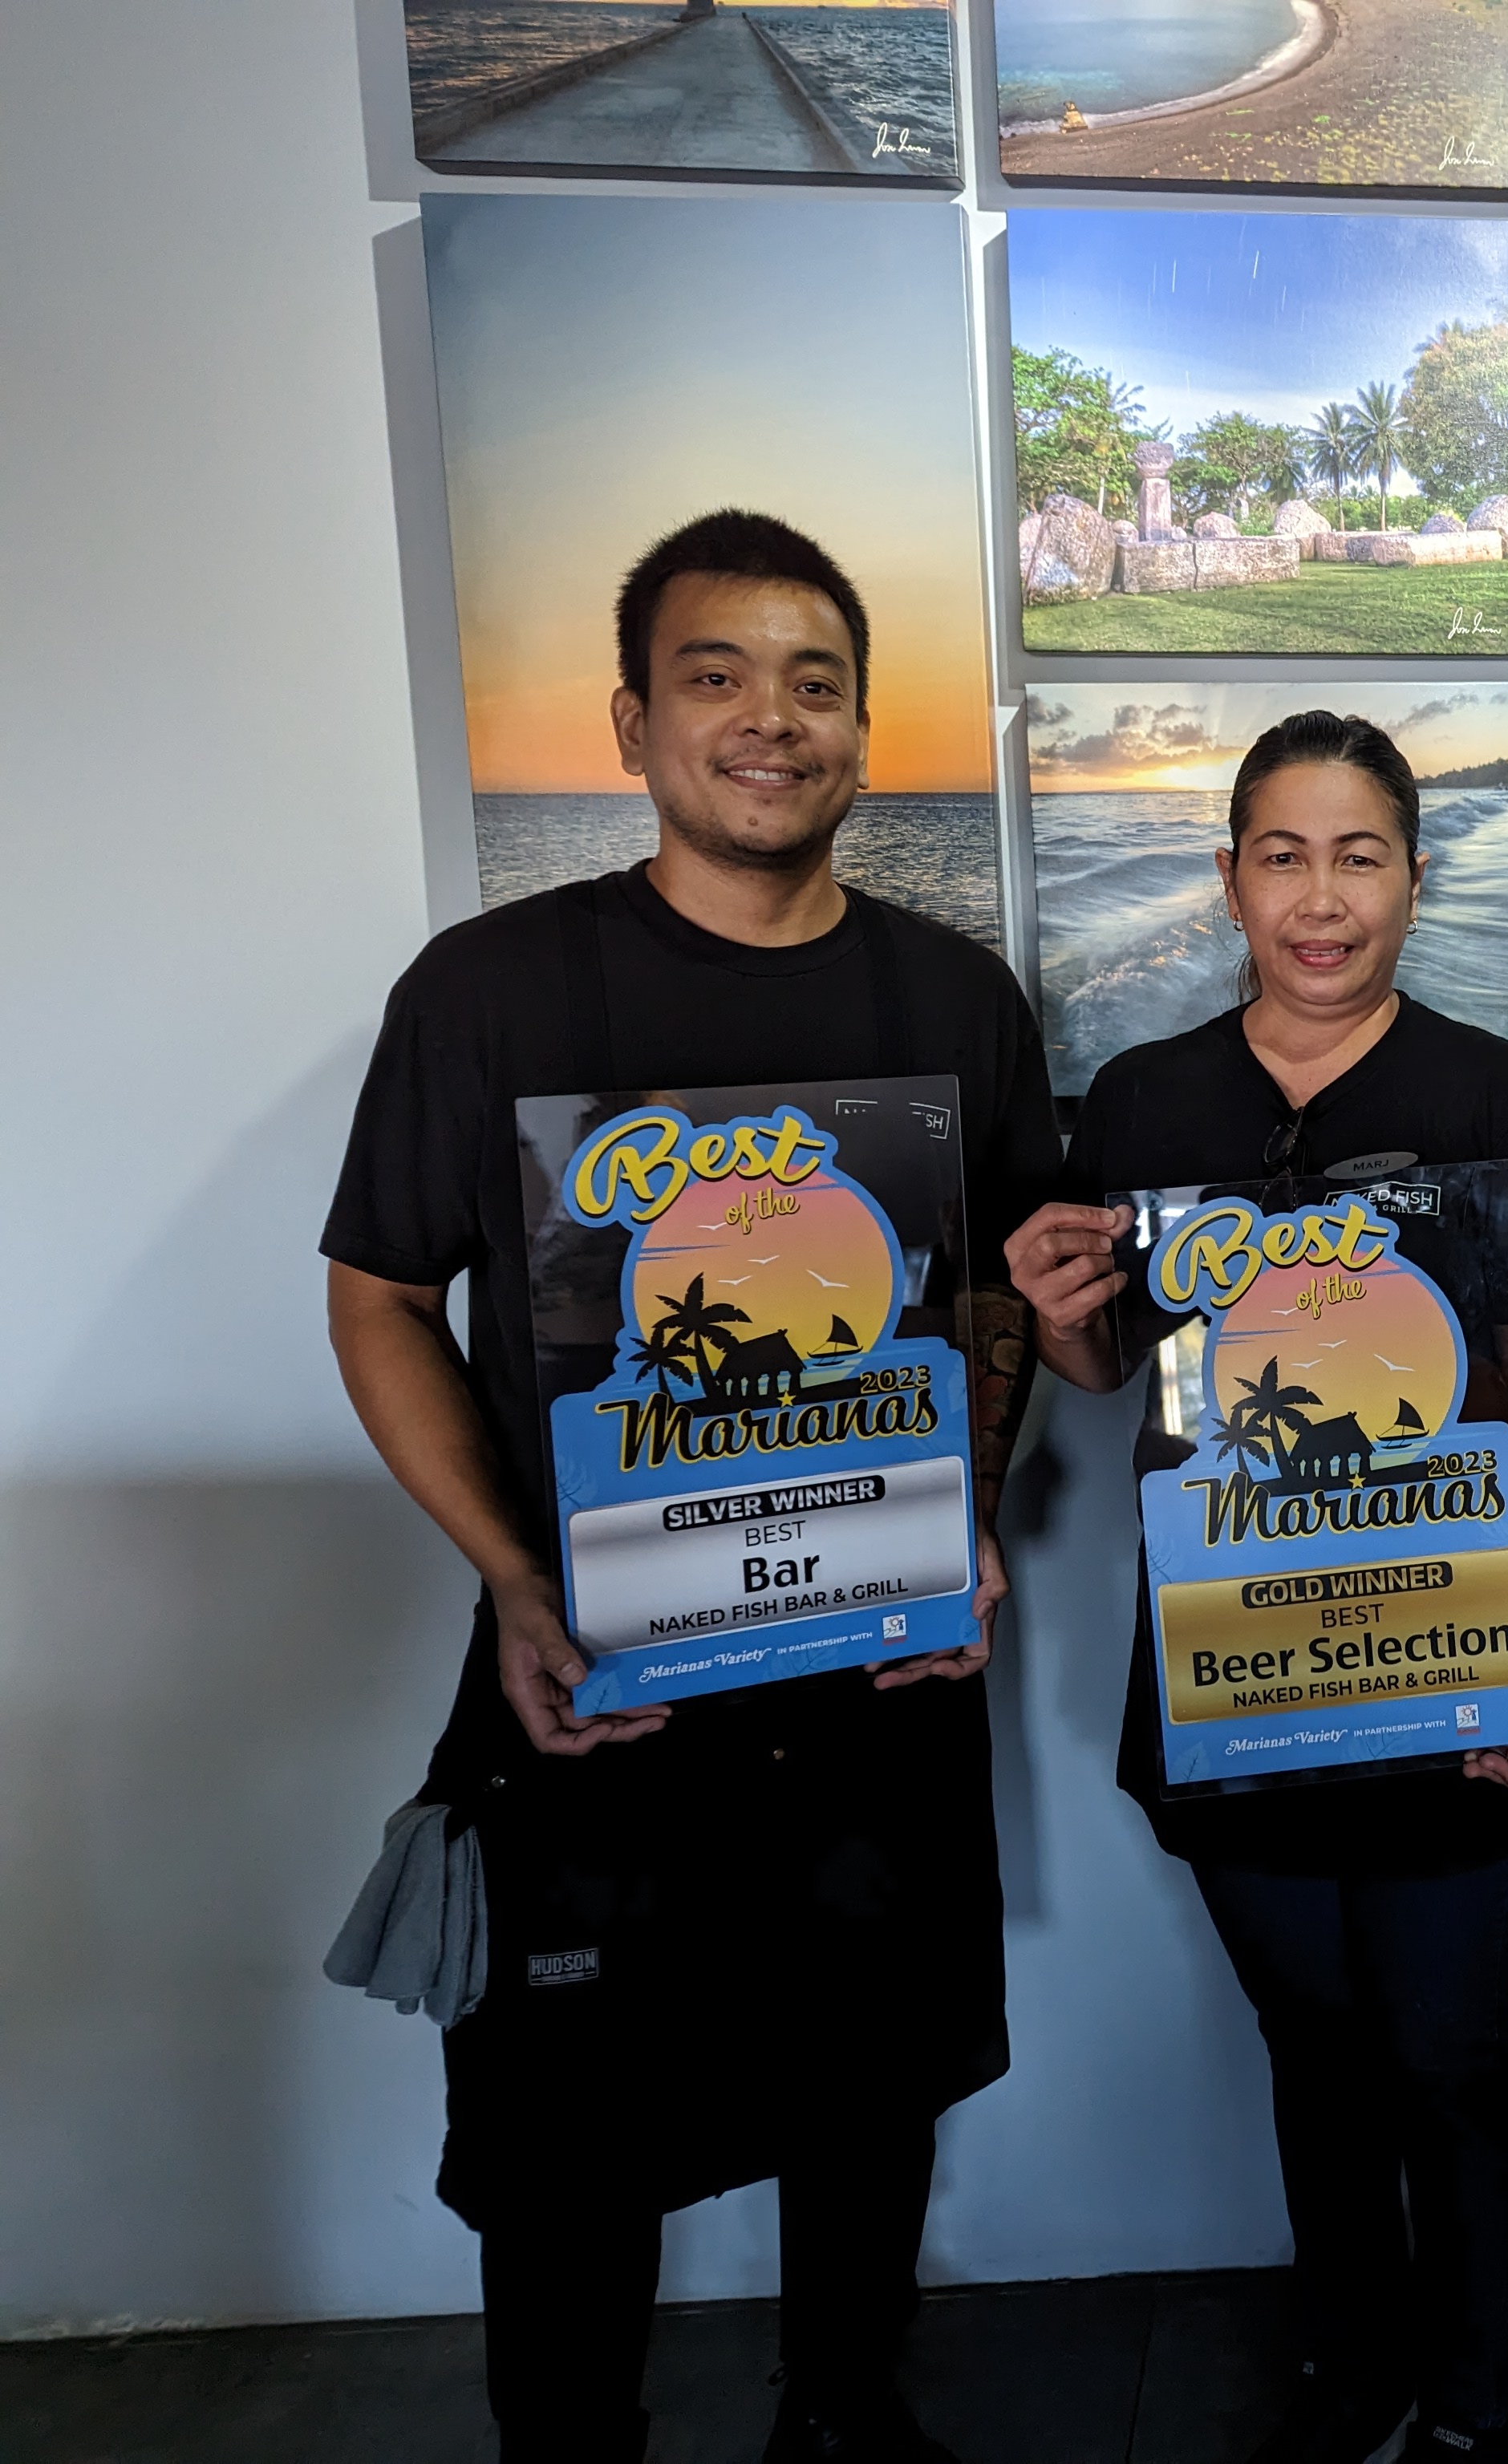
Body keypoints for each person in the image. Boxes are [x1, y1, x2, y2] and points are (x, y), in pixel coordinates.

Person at [322, 510, 1058, 2464]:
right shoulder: (488, 994)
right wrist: (510, 1577)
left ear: (864, 731)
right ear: (636, 718)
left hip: (875, 1685)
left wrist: (967, 1515)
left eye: (816, 683)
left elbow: (988, 1299)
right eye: (719, 677)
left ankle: (844, 2415)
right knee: (568, 2166)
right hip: (598, 1690)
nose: (771, 720)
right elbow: (383, 1298)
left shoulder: (957, 1006)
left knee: (866, 2106)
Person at [1003, 712, 1508, 2464]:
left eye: (1360, 857)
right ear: (1230, 876)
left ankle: (1479, 2398)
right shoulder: (1140, 1098)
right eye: (1284, 855)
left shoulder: (1490, 1092)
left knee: (1446, 2044)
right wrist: (1058, 1315)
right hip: (1229, 1665)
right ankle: (1357, 2378)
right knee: (1316, 2049)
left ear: (1417, 876)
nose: (1321, 900)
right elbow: (1123, 1372)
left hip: (1456, 1649)